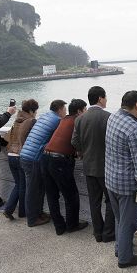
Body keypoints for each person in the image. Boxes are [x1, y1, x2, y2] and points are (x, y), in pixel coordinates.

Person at [105, 90, 137, 268]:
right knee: (129, 222)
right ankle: (124, 258)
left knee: (119, 219)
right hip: (128, 185)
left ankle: (119, 248)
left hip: (111, 179)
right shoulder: (134, 129)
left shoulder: (113, 118)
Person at [71, 86, 115, 243]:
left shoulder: (80, 119)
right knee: (110, 200)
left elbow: (74, 141)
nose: (106, 100)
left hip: (88, 166)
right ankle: (109, 233)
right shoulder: (109, 117)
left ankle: (98, 232)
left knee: (94, 201)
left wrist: (84, 151)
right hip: (106, 167)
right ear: (100, 99)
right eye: (105, 97)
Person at [41, 99, 89, 235]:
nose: (86, 113)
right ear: (79, 111)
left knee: (52, 195)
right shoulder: (78, 121)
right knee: (71, 195)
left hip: (46, 156)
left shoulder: (64, 120)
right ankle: (72, 225)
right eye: (85, 110)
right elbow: (78, 141)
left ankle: (59, 227)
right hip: (59, 161)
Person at [19, 99, 67, 227]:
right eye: (65, 109)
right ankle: (32, 219)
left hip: (26, 154)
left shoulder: (45, 116)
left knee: (37, 188)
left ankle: (38, 214)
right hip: (33, 158)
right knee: (33, 190)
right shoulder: (57, 121)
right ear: (60, 109)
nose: (66, 112)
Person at [2, 99, 39, 220]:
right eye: (36, 111)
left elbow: (8, 138)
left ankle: (11, 209)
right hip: (20, 156)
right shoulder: (30, 121)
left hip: (11, 155)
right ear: (32, 111)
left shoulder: (17, 121)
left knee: (19, 184)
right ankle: (19, 211)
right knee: (23, 186)